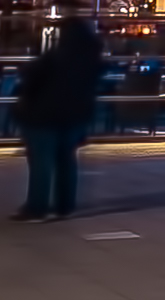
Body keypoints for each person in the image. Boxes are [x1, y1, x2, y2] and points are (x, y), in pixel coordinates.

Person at [10, 15, 103, 222]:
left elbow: (32, 80)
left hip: (45, 115)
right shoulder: (91, 59)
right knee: (66, 159)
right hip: (76, 115)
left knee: (42, 161)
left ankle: (37, 206)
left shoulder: (54, 57)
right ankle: (65, 205)